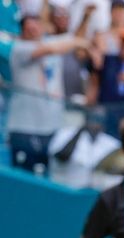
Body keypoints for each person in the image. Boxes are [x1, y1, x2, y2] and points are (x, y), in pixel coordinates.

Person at [3, 14, 89, 174]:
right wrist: (78, 42)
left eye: (36, 26)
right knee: (25, 178)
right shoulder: (19, 48)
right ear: (22, 31)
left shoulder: (52, 42)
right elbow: (52, 48)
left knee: (47, 176)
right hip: (25, 127)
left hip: (52, 126)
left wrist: (87, 15)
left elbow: (73, 39)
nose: (34, 30)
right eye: (29, 28)